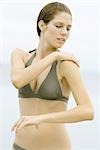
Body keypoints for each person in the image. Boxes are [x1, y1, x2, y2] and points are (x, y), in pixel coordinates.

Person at [11, 2, 94, 150]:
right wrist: (53, 56)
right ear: (42, 25)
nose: (65, 32)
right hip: (19, 146)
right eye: (59, 26)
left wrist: (40, 118)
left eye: (68, 28)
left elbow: (87, 111)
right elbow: (18, 80)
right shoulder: (20, 56)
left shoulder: (67, 65)